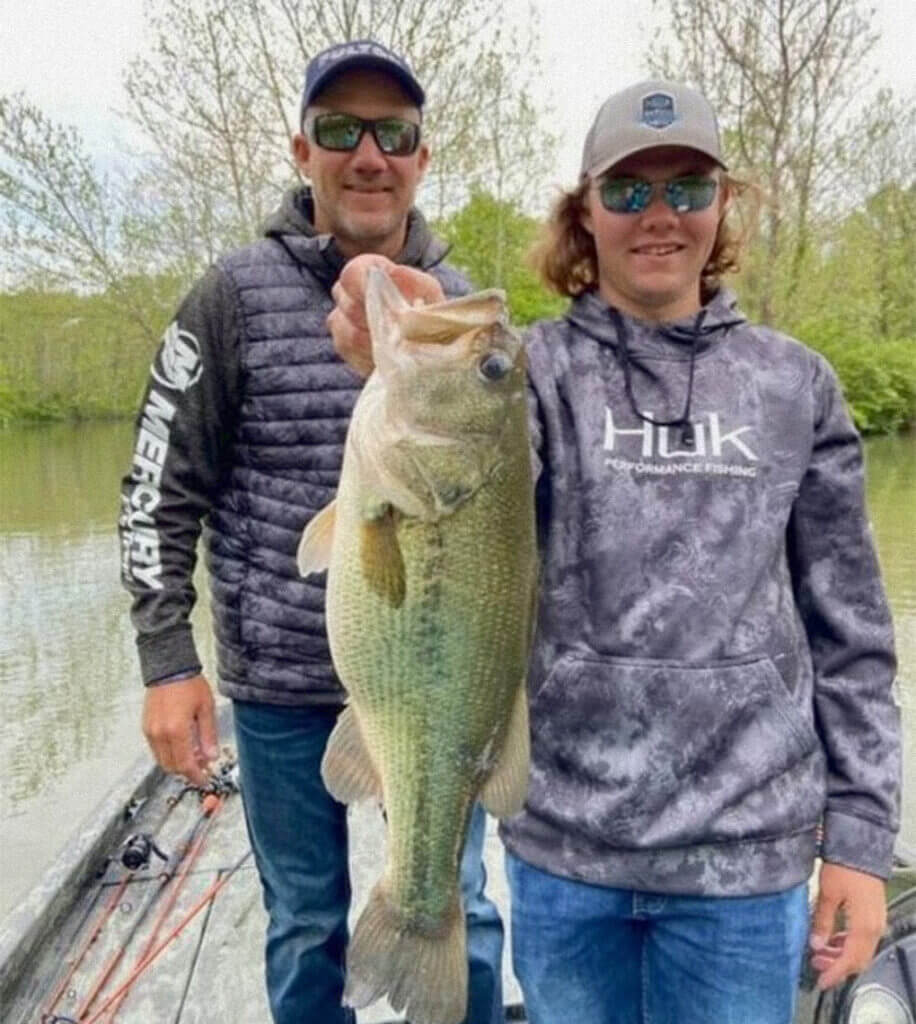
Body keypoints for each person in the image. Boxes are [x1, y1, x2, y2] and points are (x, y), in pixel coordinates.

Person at [328, 79, 902, 1024]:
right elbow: (457, 462)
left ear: (725, 208)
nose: (660, 215)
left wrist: (862, 843)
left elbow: (854, 636)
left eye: (689, 188)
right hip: (565, 854)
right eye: (630, 191)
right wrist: (387, 315)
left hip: (746, 866)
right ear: (584, 212)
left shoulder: (797, 386)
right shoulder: (534, 375)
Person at [118, 39, 505, 1024]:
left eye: (395, 133)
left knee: (460, 901)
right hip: (281, 692)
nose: (369, 153)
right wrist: (168, 661)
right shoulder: (229, 295)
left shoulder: (458, 315)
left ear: (423, 156)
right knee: (305, 924)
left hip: (445, 691)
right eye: (341, 130)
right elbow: (158, 488)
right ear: (303, 151)